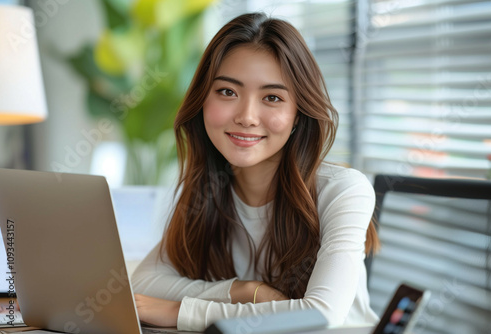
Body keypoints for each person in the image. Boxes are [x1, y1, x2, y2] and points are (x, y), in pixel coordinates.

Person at [131, 12, 380, 332]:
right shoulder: (208, 187)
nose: (247, 117)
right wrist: (243, 291)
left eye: (272, 97)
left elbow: (320, 315)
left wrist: (182, 311)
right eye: (227, 92)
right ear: (202, 101)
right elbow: (146, 283)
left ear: (298, 115)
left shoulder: (344, 190)